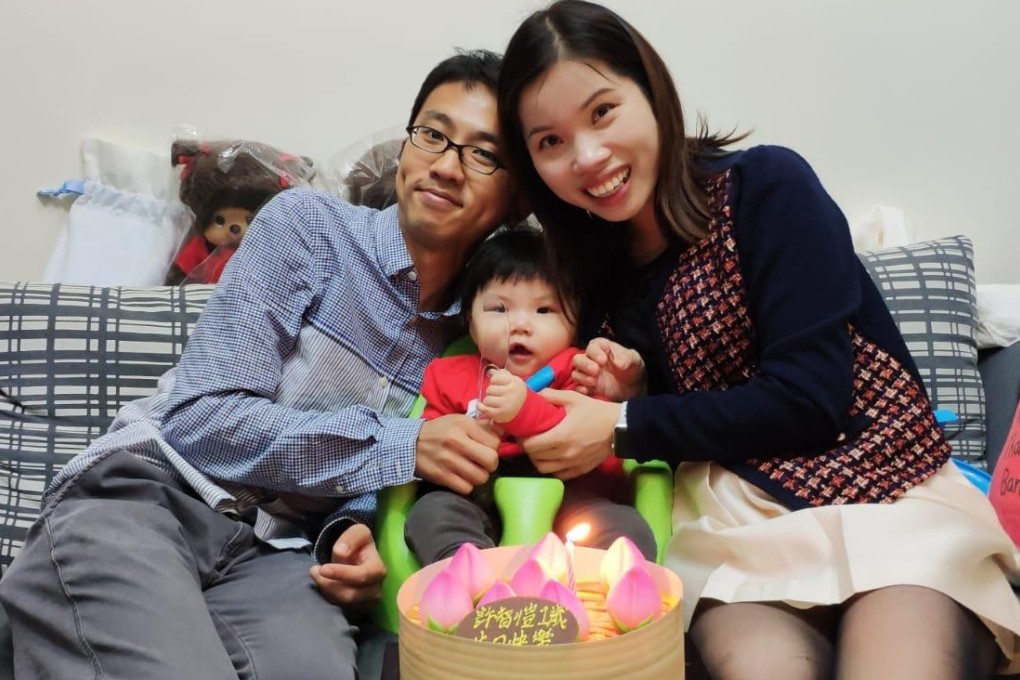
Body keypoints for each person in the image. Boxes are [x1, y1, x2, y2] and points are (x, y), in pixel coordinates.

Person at [495, 2, 1020, 678]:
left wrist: (625, 421)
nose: (588, 156)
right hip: (735, 524)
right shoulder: (592, 274)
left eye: (602, 112)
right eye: (550, 142)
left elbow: (809, 397)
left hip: (887, 488)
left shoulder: (765, 187)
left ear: (651, 92)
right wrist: (634, 386)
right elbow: (689, 405)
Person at [0, 49, 515, 680]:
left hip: (279, 557)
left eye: (484, 154)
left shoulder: (481, 336)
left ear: (517, 197)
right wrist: (405, 445)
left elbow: (369, 487)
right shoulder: (310, 227)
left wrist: (351, 535)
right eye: (433, 135)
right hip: (150, 496)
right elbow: (201, 420)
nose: (446, 166)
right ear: (407, 147)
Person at [405, 226, 657, 565]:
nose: (520, 325)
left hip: (573, 499)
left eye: (544, 311)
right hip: (479, 499)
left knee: (626, 529)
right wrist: (455, 443)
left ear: (574, 324)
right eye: (499, 309)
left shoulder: (579, 368)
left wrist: (522, 409)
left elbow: (590, 433)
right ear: (471, 321)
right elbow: (430, 439)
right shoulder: (448, 374)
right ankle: (469, 577)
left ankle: (596, 590)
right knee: (431, 513)